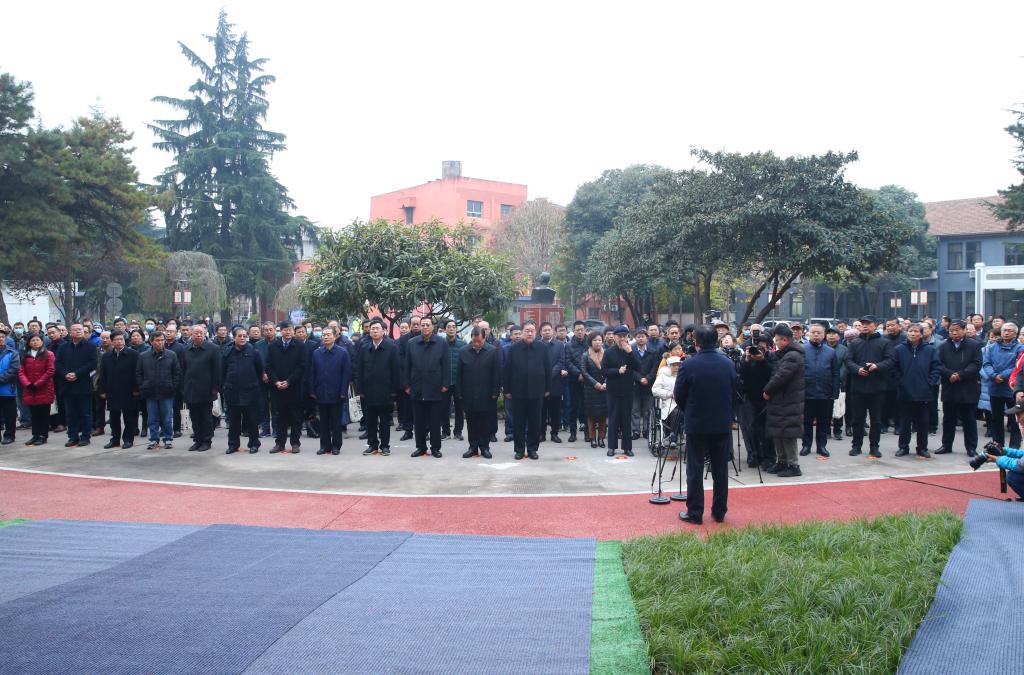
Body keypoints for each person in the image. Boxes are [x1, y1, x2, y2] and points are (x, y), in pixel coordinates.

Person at [675, 325, 737, 525]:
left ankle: (695, 512)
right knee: (720, 469)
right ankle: (719, 511)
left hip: (697, 422)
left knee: (695, 468)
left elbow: (679, 395)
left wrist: (689, 410)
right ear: (716, 341)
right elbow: (734, 391)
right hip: (721, 422)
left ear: (696, 342)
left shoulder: (689, 364)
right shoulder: (727, 363)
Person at [846, 315, 895, 458]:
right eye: (863, 323)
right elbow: (848, 360)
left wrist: (877, 366)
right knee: (857, 419)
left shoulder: (884, 342)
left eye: (868, 323)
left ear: (876, 325)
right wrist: (857, 369)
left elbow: (890, 360)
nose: (865, 326)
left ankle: (874, 447)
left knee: (876, 420)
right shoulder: (855, 342)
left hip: (877, 387)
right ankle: (856, 446)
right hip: (858, 387)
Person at [503, 320, 551, 460]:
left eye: (532, 331)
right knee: (519, 422)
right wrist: (507, 390)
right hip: (518, 391)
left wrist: (548, 388)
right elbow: (507, 371)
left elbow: (548, 369)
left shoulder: (542, 348)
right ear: (522, 332)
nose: (530, 333)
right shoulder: (514, 349)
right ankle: (519, 450)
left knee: (535, 422)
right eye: (527, 331)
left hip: (537, 391)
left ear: (536, 332)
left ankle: (532, 449)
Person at [763, 324, 806, 477]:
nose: (775, 343)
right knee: (778, 432)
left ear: (785, 340)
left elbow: (781, 377)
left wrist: (767, 390)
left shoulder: (792, 355)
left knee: (788, 434)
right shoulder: (783, 354)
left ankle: (793, 465)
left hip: (789, 401)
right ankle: (781, 461)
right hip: (780, 400)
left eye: (777, 340)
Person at [404, 317, 450, 458]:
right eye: (422, 325)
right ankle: (421, 447)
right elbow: (407, 366)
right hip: (417, 386)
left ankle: (435, 448)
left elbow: (446, 365)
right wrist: (406, 384)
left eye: (427, 325)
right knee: (419, 421)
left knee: (435, 421)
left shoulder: (441, 343)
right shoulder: (411, 343)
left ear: (432, 327)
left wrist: (445, 384)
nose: (424, 327)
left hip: (435, 386)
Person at [893, 323, 940, 458]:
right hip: (905, 392)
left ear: (921, 334)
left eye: (915, 331)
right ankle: (903, 447)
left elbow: (936, 368)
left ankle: (922, 447)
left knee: (923, 423)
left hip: (923, 392)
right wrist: (900, 382)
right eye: (910, 331)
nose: (912, 334)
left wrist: (930, 383)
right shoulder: (899, 349)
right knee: (905, 422)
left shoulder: (930, 350)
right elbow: (893, 368)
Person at [936, 320, 983, 457]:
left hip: (967, 387)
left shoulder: (974, 345)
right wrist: (949, 374)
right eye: (951, 330)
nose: (954, 333)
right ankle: (946, 445)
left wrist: (960, 375)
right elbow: (938, 364)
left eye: (957, 330)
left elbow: (976, 364)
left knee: (969, 420)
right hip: (949, 386)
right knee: (948, 419)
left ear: (964, 330)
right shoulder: (943, 346)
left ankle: (971, 447)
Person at [356, 319, 400, 456]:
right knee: (370, 421)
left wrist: (394, 391)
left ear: (383, 331)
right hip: (368, 391)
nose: (374, 331)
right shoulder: (364, 348)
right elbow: (359, 370)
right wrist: (360, 389)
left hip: (385, 391)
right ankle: (372, 445)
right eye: (372, 329)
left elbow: (396, 370)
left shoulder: (392, 347)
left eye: (377, 328)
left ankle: (385, 446)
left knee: (385, 421)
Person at [457, 326, 502, 459]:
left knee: (485, 422)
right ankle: (473, 447)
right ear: (471, 338)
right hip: (468, 393)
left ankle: (484, 447)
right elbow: (459, 374)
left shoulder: (492, 351)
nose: (476, 344)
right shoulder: (463, 351)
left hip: (486, 394)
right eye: (474, 341)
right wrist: (459, 392)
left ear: (484, 338)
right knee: (471, 422)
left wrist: (495, 391)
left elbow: (497, 373)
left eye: (479, 341)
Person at [221, 326, 265, 455]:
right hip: (232, 391)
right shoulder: (227, 352)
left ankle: (254, 444)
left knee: (252, 420)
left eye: (244, 336)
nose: (242, 338)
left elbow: (260, 370)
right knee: (234, 421)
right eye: (239, 336)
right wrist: (224, 386)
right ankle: (233, 444)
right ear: (234, 337)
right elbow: (222, 371)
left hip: (250, 391)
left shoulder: (253, 351)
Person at [54, 323, 98, 448]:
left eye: (80, 329)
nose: (78, 331)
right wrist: (65, 374)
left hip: (83, 384)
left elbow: (92, 364)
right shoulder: (63, 347)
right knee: (70, 413)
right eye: (75, 330)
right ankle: (72, 437)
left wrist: (77, 374)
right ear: (70, 332)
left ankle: (85, 436)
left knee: (85, 413)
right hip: (67, 385)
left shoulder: (90, 347)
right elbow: (58, 363)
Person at [266, 321, 306, 455]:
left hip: (294, 387)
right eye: (285, 330)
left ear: (293, 331)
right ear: (280, 331)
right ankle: (280, 443)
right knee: (279, 417)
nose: (288, 332)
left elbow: (302, 366)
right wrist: (276, 381)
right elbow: (269, 366)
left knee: (296, 417)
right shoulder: (273, 346)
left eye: (290, 330)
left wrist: (289, 381)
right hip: (277, 388)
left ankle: (295, 443)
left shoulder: (300, 346)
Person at [310, 327, 352, 455]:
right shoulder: (316, 353)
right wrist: (312, 390)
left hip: (336, 392)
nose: (326, 337)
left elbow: (346, 374)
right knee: (323, 421)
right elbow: (312, 373)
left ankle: (336, 446)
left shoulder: (342, 353)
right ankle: (324, 446)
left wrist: (343, 391)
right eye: (324, 335)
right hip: (321, 391)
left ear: (335, 336)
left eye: (328, 335)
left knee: (336, 422)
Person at [135, 332, 180, 450]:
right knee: (152, 418)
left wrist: (173, 386)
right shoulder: (143, 356)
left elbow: (176, 373)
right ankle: (154, 439)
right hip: (150, 391)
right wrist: (143, 385)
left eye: (162, 340)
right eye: (157, 340)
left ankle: (168, 439)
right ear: (151, 342)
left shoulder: (171, 355)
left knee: (167, 418)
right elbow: (139, 373)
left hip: (167, 391)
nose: (160, 342)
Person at [180, 324, 221, 453]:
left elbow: (218, 370)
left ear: (204, 334)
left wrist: (215, 388)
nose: (198, 335)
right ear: (191, 335)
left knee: (206, 417)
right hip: (190, 389)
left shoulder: (213, 349)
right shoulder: (186, 350)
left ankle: (206, 441)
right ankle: (197, 440)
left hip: (206, 389)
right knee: (194, 417)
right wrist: (183, 388)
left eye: (201, 333)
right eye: (196, 333)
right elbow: (183, 370)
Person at [801, 323, 839, 458]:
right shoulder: (802, 350)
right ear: (808, 334)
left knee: (824, 422)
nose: (816, 335)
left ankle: (821, 446)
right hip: (807, 393)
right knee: (806, 422)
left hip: (825, 393)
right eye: (813, 332)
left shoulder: (831, 352)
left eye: (819, 333)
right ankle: (806, 445)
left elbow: (835, 373)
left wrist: (835, 391)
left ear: (824, 335)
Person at [982, 322, 1023, 449]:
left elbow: (1017, 367)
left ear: (1015, 334)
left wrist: (1003, 376)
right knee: (996, 418)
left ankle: (1014, 447)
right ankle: (998, 445)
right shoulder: (992, 347)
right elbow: (986, 363)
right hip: (995, 386)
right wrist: (993, 375)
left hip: (1012, 388)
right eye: (1004, 330)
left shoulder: (1020, 348)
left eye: (1010, 330)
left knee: (1015, 420)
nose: (1006, 333)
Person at [602, 326, 641, 457]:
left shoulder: (631, 350)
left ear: (628, 337)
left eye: (625, 336)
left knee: (626, 419)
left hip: (627, 390)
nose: (622, 339)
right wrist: (617, 371)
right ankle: (611, 447)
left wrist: (630, 353)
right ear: (615, 337)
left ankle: (627, 447)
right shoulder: (609, 352)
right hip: (613, 390)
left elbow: (638, 367)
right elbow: (604, 371)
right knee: (613, 419)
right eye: (620, 336)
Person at [97, 331, 139, 449]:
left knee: (129, 417)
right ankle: (115, 439)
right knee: (114, 417)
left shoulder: (133, 354)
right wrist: (102, 390)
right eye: (116, 339)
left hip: (129, 391)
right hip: (112, 391)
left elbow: (137, 373)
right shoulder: (106, 356)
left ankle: (128, 439)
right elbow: (103, 375)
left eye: (121, 339)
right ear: (112, 342)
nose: (119, 341)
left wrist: (136, 389)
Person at [18, 333, 54, 447]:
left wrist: (37, 384)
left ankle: (43, 435)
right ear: (29, 343)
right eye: (32, 340)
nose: (35, 342)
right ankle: (35, 435)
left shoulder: (49, 354)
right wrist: (27, 384)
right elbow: (21, 372)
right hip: (30, 389)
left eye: (37, 340)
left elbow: (50, 371)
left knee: (43, 413)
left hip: (44, 388)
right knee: (33, 414)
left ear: (42, 341)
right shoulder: (25, 355)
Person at [540, 321, 568, 443]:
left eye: (548, 330)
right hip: (540, 383)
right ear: (541, 332)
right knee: (541, 411)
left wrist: (549, 374)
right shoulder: (537, 344)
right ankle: (541, 434)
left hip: (555, 382)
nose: (547, 332)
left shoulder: (559, 345)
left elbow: (561, 362)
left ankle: (554, 433)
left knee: (555, 411)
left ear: (552, 331)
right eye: (544, 330)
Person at [631, 329, 660, 441]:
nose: (641, 338)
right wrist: (639, 378)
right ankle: (635, 431)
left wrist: (647, 378)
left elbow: (655, 367)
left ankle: (647, 430)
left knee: (648, 410)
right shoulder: (631, 351)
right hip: (635, 384)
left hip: (649, 384)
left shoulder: (653, 351)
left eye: (643, 336)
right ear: (635, 338)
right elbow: (630, 368)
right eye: (638, 337)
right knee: (635, 409)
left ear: (647, 338)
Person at [581, 332, 608, 449]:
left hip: (605, 388)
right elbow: (584, 372)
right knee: (591, 415)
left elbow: (609, 370)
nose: (597, 342)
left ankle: (601, 438)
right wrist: (596, 384)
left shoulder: (606, 354)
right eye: (595, 340)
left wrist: (605, 382)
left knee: (603, 415)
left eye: (599, 340)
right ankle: (592, 438)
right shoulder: (585, 355)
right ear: (590, 342)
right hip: (590, 389)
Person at [441, 319, 466, 441]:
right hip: (444, 382)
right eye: (449, 327)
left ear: (456, 329)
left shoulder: (463, 345)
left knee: (459, 409)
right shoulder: (440, 344)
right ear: (445, 329)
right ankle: (445, 432)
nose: (451, 329)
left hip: (459, 382)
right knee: (444, 408)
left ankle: (458, 432)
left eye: (453, 327)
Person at [565, 321, 588, 442]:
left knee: (586, 407)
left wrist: (584, 374)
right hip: (573, 380)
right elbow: (568, 362)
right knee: (573, 407)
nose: (580, 332)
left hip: (588, 380)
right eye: (577, 329)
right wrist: (578, 373)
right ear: (573, 331)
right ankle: (573, 433)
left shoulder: (590, 343)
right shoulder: (568, 345)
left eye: (582, 329)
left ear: (585, 330)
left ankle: (588, 433)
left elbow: (592, 360)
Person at [652, 355, 682, 446]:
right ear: (669, 366)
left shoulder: (682, 376)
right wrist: (669, 394)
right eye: (674, 365)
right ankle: (672, 438)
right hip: (667, 403)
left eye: (678, 365)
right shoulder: (662, 376)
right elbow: (655, 390)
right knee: (676, 412)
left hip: (681, 402)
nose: (676, 367)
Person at [0, 336, 21, 444]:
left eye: (2, 337)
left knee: (9, 414)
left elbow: (14, 370)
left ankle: (9, 435)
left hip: (8, 388)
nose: (0, 339)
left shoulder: (12, 353)